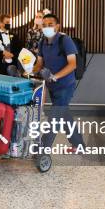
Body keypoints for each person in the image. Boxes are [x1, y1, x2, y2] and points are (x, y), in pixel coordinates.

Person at [33, 14, 84, 150]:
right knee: (64, 114)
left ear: (57, 26)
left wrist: (55, 76)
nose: (47, 27)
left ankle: (42, 149)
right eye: (44, 25)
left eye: (50, 24)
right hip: (51, 85)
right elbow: (39, 63)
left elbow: (72, 64)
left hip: (65, 85)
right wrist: (29, 71)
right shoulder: (42, 42)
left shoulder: (65, 40)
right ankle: (79, 145)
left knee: (55, 117)